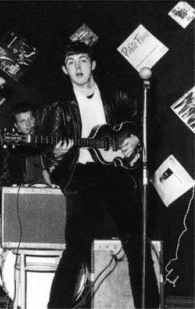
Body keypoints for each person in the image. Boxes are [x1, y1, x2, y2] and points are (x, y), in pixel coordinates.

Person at [42, 41, 159, 308]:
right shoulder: (59, 107)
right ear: (64, 69)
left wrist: (137, 139)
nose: (78, 67)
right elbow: (48, 151)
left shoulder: (116, 96)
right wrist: (57, 155)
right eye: (71, 63)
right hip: (82, 177)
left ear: (93, 64)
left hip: (117, 176)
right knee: (74, 252)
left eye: (83, 60)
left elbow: (147, 122)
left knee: (138, 248)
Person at [0, 100, 52, 186]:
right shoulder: (10, 149)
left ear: (36, 119)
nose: (28, 124)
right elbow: (3, 179)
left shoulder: (47, 142)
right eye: (22, 121)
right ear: (16, 126)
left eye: (30, 118)